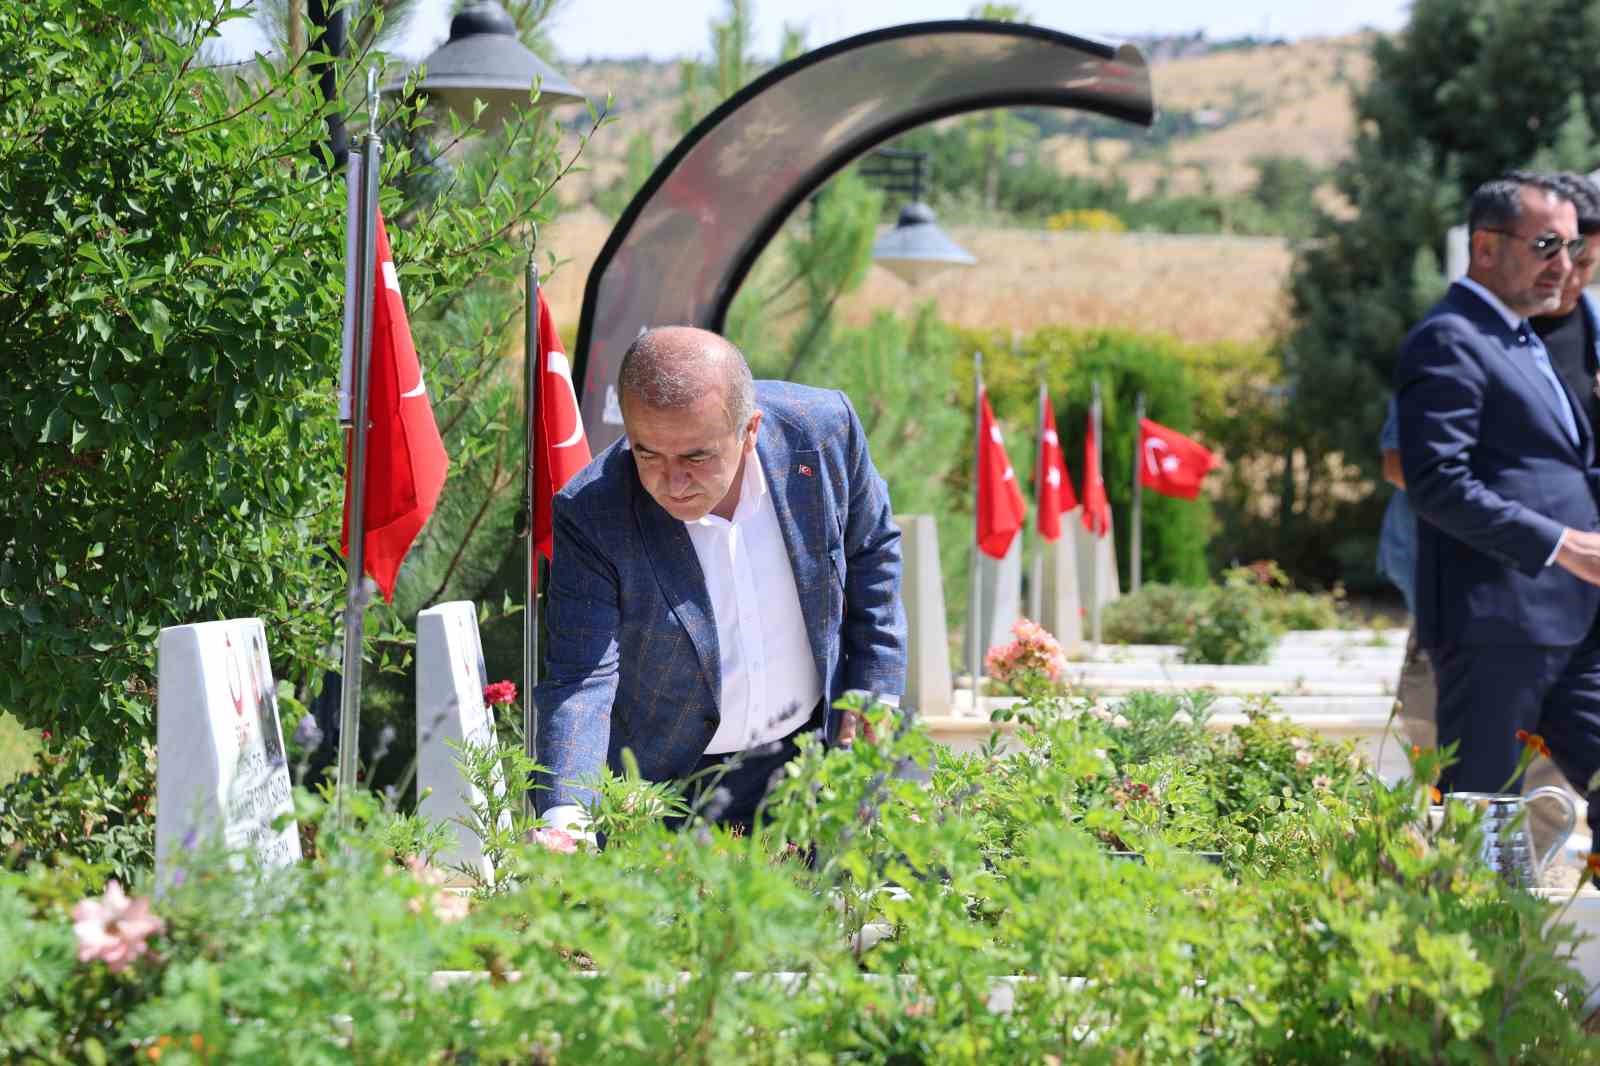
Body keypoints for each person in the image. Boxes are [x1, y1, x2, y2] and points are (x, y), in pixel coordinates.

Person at [532, 326, 906, 835]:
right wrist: (566, 815)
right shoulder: (594, 512)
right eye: (647, 454)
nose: (673, 481)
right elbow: (582, 678)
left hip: (811, 757)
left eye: (695, 457)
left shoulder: (823, 434)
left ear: (750, 429)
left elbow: (871, 550)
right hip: (668, 789)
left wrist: (876, 688)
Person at [1396, 171, 1600, 847]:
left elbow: (1565, 468)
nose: (1564, 266)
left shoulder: (1521, 337)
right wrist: (1562, 544)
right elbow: (1436, 482)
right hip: (1496, 626)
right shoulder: (1451, 338)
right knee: (1485, 820)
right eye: (1547, 244)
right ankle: (1473, 950)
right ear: (1486, 247)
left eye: (1572, 249)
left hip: (1570, 623)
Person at [1379, 395, 1577, 854]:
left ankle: (1520, 874)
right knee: (1435, 726)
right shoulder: (1452, 347)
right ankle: (1461, 865)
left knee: (1551, 738)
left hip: (1553, 590)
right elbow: (1400, 463)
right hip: (1460, 586)